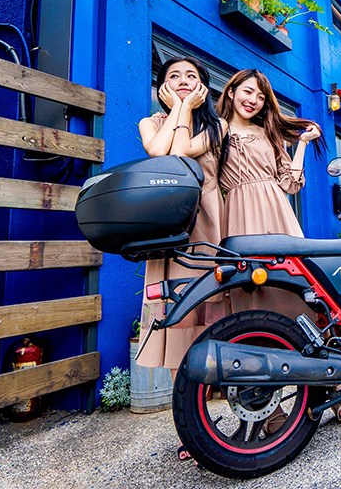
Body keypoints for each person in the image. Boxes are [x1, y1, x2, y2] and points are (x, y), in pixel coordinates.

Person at [216, 69, 341, 424]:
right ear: (231, 92)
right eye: (247, 92)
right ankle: (272, 412)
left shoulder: (268, 132)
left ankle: (336, 388)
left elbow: (289, 184)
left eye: (261, 96)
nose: (253, 100)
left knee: (304, 300)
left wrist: (303, 144)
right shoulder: (216, 131)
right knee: (252, 308)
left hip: (278, 218)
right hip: (240, 222)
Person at [135, 57, 229, 444]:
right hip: (169, 225)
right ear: (162, 85)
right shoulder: (149, 122)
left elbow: (182, 152)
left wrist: (187, 110)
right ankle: (190, 426)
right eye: (174, 76)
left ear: (204, 85)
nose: (183, 80)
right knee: (175, 316)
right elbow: (160, 152)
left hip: (206, 220)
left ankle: (222, 396)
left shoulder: (216, 124)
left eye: (192, 76)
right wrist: (179, 107)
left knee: (209, 308)